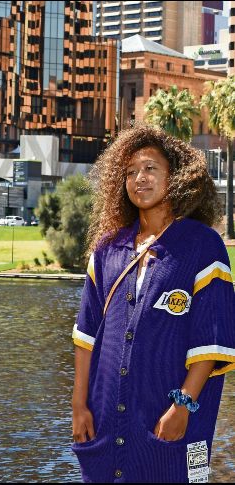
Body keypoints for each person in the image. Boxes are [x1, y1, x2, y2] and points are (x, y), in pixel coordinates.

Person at [71, 124, 235, 482]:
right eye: (130, 172)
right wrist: (78, 405)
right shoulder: (106, 249)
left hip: (174, 414)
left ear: (175, 176)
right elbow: (86, 337)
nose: (139, 179)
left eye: (150, 169)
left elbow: (211, 341)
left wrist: (184, 405)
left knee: (182, 474)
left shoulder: (202, 245)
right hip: (104, 417)